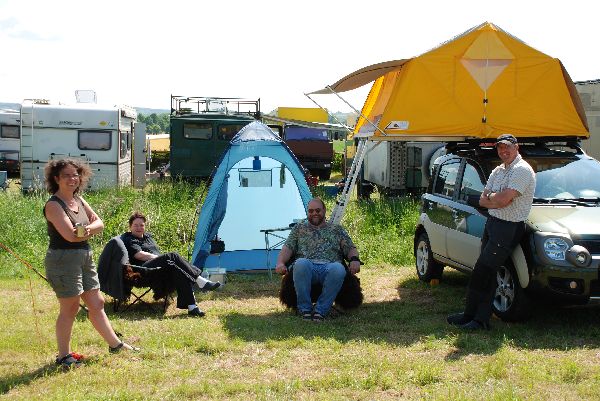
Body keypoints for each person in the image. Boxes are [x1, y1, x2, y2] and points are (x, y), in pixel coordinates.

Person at [43, 158, 139, 369]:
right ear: (56, 178)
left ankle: (115, 345)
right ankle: (63, 356)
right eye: (66, 175)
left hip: (84, 256)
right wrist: (87, 231)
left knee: (97, 303)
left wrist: (88, 230)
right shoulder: (53, 205)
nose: (72, 179)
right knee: (70, 308)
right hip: (63, 260)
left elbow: (99, 223)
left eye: (75, 174)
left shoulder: (79, 200)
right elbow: (69, 236)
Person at [447, 134, 536, 331]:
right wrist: (495, 199)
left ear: (516, 147)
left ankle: (480, 320)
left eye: (507, 147)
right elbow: (482, 200)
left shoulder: (522, 170)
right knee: (481, 270)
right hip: (493, 222)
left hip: (508, 227)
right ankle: (469, 315)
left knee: (484, 271)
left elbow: (503, 200)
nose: (503, 151)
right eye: (500, 148)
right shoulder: (498, 170)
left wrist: (494, 199)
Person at [275, 198, 361, 322]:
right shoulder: (299, 229)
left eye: (317, 210)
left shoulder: (336, 229)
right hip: (307, 267)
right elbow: (287, 248)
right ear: (307, 212)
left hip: (330, 267)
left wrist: (354, 260)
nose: (314, 213)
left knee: (338, 269)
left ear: (324, 211)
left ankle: (321, 311)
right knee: (301, 263)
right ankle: (305, 309)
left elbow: (350, 248)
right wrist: (280, 263)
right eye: (311, 211)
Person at [121, 212, 221, 318]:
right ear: (130, 226)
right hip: (143, 269)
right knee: (172, 255)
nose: (139, 228)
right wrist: (160, 258)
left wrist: (163, 260)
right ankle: (200, 280)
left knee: (178, 270)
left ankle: (192, 307)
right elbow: (138, 255)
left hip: (157, 267)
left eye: (141, 225)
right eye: (135, 225)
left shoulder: (147, 237)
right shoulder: (130, 239)